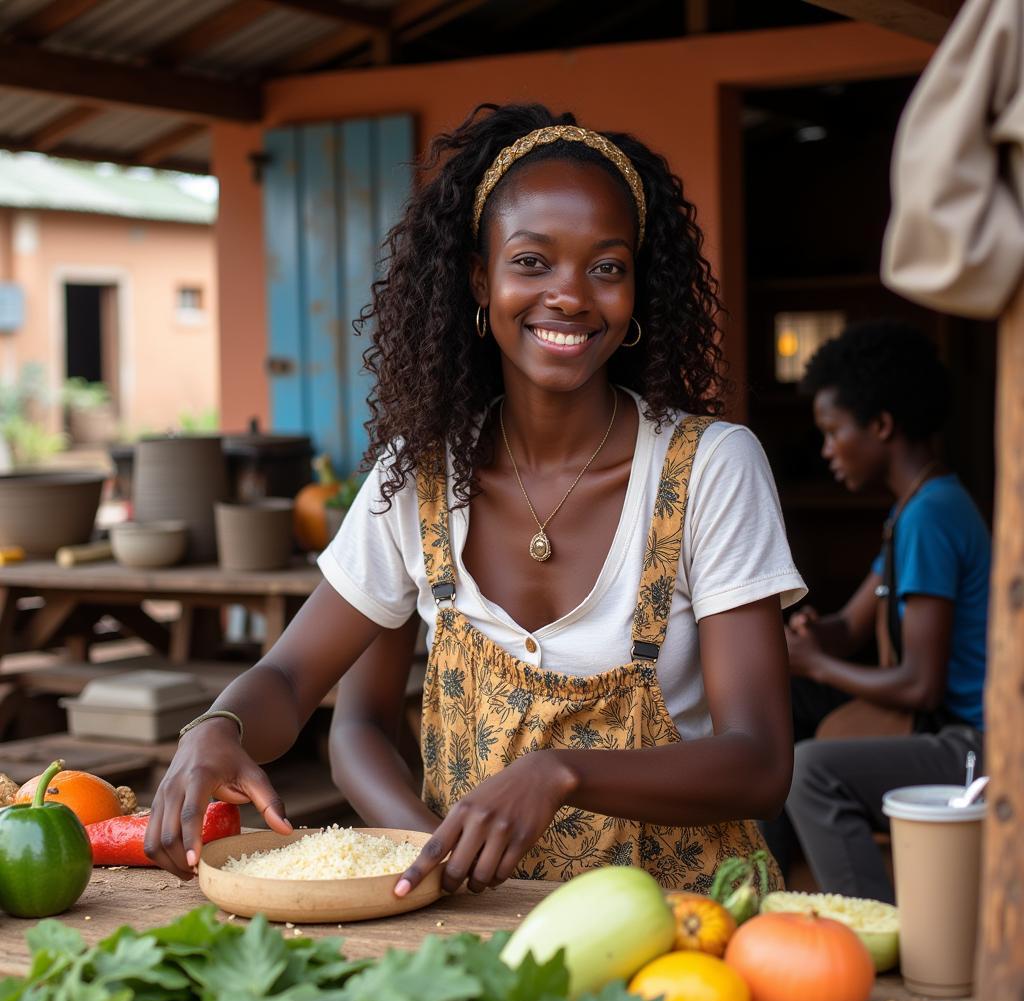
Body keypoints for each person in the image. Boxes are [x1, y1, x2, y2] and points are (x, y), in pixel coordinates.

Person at [146, 103, 806, 896]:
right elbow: (294, 685)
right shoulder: (418, 479)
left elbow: (760, 761)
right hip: (465, 932)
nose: (570, 295)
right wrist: (220, 727)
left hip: (680, 928)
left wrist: (559, 772)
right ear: (477, 280)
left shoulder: (710, 470)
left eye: (606, 267)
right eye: (532, 262)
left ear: (638, 290)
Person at [775, 320, 990, 902]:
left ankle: (874, 932)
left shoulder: (932, 516)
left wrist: (815, 664)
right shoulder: (910, 513)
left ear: (882, 426)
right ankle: (764, 881)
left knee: (809, 772)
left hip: (972, 744)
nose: (826, 450)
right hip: (938, 725)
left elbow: (921, 684)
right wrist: (815, 634)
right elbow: (849, 626)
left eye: (832, 431)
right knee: (778, 703)